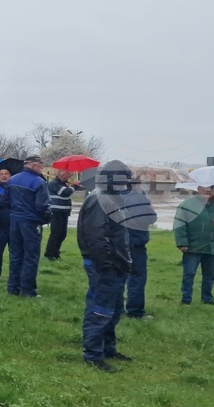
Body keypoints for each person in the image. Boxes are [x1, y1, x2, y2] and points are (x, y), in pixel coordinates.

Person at [76, 160, 137, 373]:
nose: (126, 185)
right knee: (100, 309)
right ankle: (93, 354)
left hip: (117, 264)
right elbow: (96, 237)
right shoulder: (99, 200)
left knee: (114, 309)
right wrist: (106, 264)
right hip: (104, 266)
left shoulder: (114, 199)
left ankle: (108, 348)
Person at [174, 185, 214, 305]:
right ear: (198, 188)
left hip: (212, 247)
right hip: (192, 247)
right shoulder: (187, 205)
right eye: (205, 187)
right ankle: (186, 299)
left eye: (211, 187)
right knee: (189, 274)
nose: (208, 190)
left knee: (209, 275)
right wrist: (182, 243)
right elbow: (179, 224)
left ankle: (207, 299)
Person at [7, 155, 51, 298]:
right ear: (34, 165)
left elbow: (6, 201)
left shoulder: (12, 180)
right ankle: (27, 290)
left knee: (15, 255)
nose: (42, 168)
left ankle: (13, 287)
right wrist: (47, 218)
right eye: (41, 165)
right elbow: (42, 206)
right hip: (31, 223)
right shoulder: (39, 182)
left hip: (14, 221)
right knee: (30, 256)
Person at [122, 185, 158, 319]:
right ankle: (135, 311)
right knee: (137, 277)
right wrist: (151, 208)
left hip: (118, 242)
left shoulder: (116, 195)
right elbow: (150, 218)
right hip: (135, 242)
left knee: (118, 276)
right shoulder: (137, 198)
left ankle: (116, 308)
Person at [44, 169, 78, 261]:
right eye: (69, 174)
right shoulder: (54, 184)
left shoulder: (63, 184)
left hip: (64, 212)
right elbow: (64, 193)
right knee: (56, 233)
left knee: (62, 234)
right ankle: (49, 254)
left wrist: (73, 187)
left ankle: (56, 253)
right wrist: (74, 186)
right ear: (63, 174)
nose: (70, 176)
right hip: (56, 212)